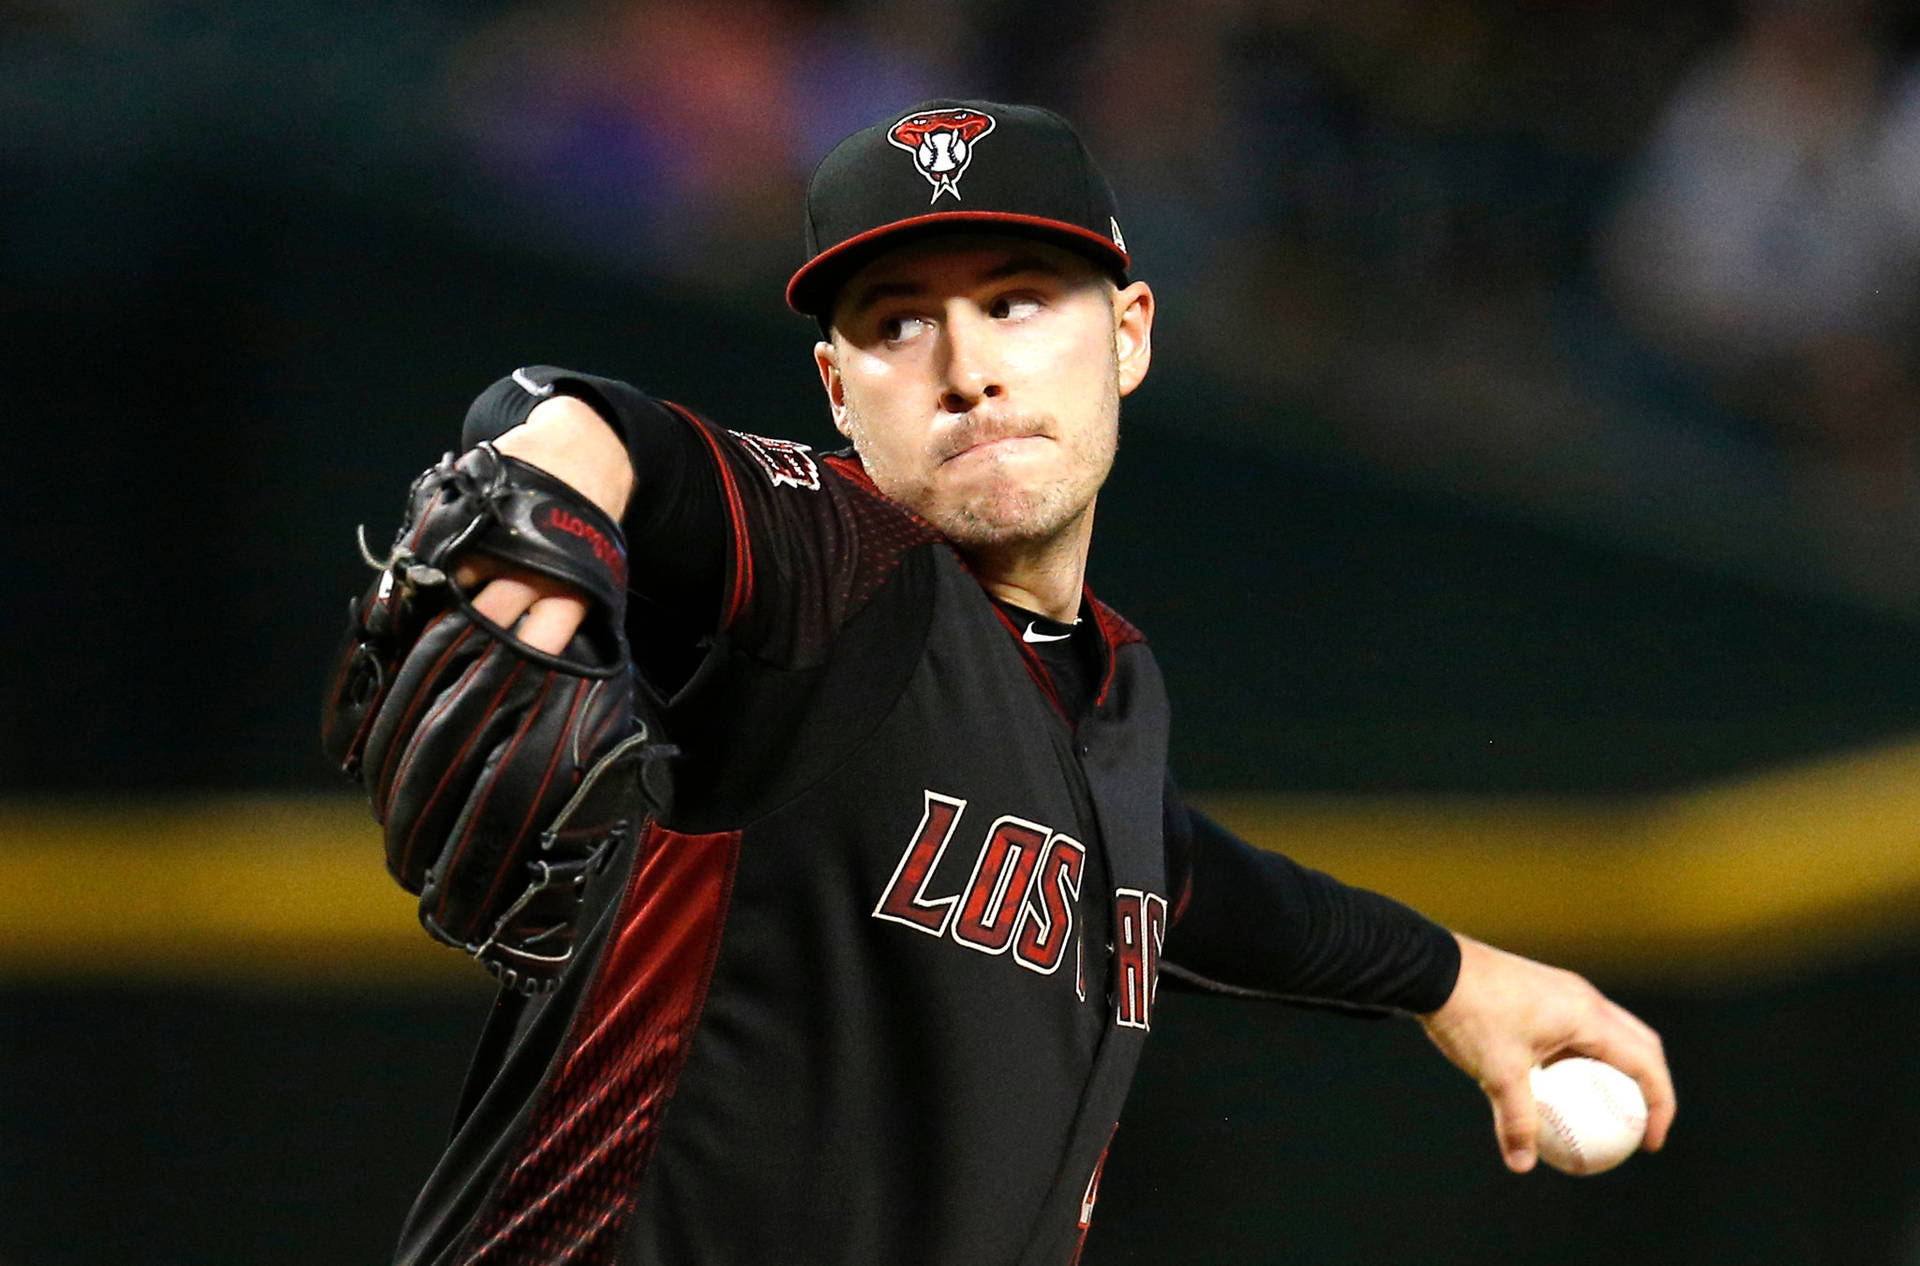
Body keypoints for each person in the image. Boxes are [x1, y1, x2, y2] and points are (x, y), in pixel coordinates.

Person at [363, 99, 1674, 1266]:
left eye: (1018, 299)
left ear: (1130, 333)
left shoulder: (1112, 690)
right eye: (898, 323)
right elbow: (580, 426)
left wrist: (1451, 977)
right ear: (838, 388)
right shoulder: (832, 561)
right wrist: (545, 509)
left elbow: (1171, 872)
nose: (966, 365)